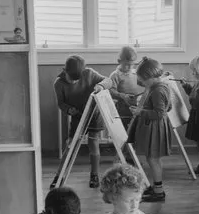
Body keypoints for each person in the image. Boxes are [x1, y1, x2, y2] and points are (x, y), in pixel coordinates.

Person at [53, 55, 114, 188]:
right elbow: (61, 103)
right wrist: (69, 110)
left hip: (94, 115)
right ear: (64, 70)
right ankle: (59, 176)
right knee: (70, 145)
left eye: (77, 79)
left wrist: (100, 86)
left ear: (84, 71)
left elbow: (109, 81)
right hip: (77, 117)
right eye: (71, 79)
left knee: (93, 144)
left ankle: (94, 175)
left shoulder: (90, 73)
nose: (74, 82)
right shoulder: (59, 83)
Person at [126, 57, 174, 202]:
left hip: (155, 129)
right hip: (157, 128)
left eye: (143, 80)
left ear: (151, 77)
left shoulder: (157, 91)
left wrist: (141, 112)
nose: (142, 83)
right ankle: (156, 187)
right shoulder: (161, 86)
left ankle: (158, 191)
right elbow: (168, 107)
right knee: (153, 159)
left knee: (152, 159)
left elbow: (160, 113)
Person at [108, 45, 145, 130]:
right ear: (119, 61)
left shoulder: (135, 73)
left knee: (136, 127)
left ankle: (134, 142)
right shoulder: (115, 75)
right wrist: (123, 96)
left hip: (136, 105)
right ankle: (124, 143)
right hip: (122, 106)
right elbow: (111, 90)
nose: (129, 67)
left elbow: (143, 83)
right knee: (123, 128)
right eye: (126, 65)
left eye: (132, 65)